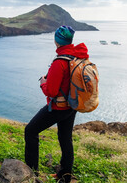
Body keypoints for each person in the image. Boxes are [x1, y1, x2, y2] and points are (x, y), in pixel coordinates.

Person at [24, 25, 90, 183]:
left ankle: (32, 172)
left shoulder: (59, 62)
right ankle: (65, 174)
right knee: (65, 138)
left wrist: (42, 82)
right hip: (72, 106)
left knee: (30, 131)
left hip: (58, 108)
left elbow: (51, 92)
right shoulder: (77, 56)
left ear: (57, 41)